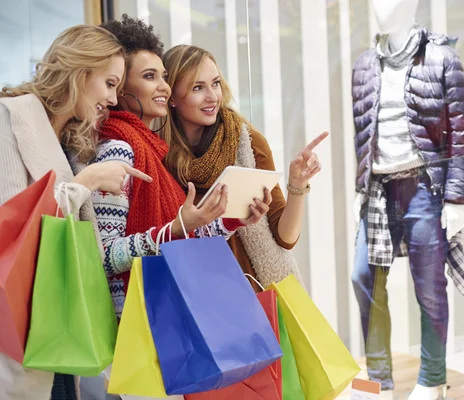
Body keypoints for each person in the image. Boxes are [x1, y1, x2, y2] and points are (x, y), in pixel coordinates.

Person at [0, 24, 150, 400]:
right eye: (109, 83)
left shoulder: (63, 141)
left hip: (56, 332)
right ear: (81, 70)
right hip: (21, 335)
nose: (114, 99)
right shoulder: (10, 118)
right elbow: (14, 232)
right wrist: (89, 180)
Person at [95, 16, 269, 319]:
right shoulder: (118, 150)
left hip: (158, 313)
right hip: (130, 323)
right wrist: (177, 227)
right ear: (120, 88)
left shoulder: (153, 150)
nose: (164, 86)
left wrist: (230, 220)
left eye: (163, 76)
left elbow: (178, 238)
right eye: (150, 77)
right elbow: (104, 256)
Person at [161, 44, 328, 290]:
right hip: (190, 287)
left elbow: (285, 238)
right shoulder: (159, 154)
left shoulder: (247, 143)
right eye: (198, 87)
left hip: (251, 289)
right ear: (172, 97)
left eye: (215, 83)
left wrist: (298, 184)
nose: (212, 96)